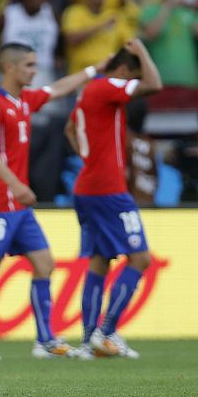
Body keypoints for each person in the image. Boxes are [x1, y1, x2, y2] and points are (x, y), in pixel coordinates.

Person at [0, 42, 103, 361]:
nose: (35, 71)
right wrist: (16, 184)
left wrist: (93, 70)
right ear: (10, 67)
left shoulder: (23, 101)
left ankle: (45, 340)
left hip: (19, 207)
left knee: (44, 263)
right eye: (30, 65)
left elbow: (59, 88)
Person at [63, 40, 162, 359]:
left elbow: (69, 129)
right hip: (109, 190)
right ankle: (106, 332)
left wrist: (90, 159)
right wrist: (142, 50)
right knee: (141, 259)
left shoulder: (90, 94)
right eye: (129, 75)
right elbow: (154, 84)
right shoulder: (107, 87)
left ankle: (91, 338)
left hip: (88, 188)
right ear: (122, 71)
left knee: (100, 261)